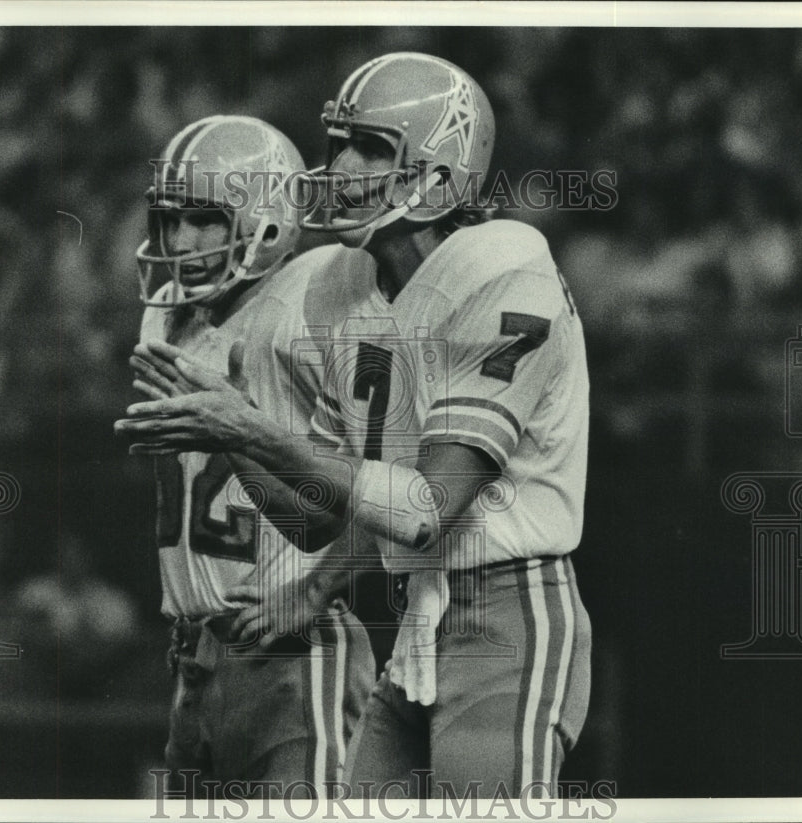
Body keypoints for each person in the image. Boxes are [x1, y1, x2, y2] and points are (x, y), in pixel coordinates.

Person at [116, 54, 592, 800]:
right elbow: (316, 517)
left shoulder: (504, 264)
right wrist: (232, 436)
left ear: (440, 173)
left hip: (508, 610)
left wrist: (248, 429)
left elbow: (426, 507)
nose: (339, 167)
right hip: (418, 621)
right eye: (338, 144)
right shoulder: (347, 280)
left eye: (369, 148)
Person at [121, 114, 374, 797]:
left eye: (205, 219)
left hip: (288, 647)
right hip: (194, 658)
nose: (181, 241)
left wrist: (316, 588)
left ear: (268, 220)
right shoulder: (167, 312)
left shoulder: (314, 298)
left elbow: (379, 492)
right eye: (171, 219)